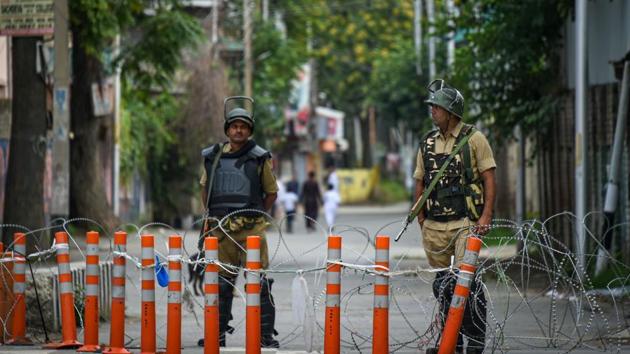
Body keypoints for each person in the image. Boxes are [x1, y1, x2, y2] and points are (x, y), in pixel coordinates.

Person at [414, 80, 496, 354]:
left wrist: (485, 216)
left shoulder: (474, 139)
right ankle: (451, 343)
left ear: (451, 112)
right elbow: (420, 180)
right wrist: (421, 218)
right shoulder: (426, 142)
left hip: (465, 223)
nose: (433, 111)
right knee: (443, 285)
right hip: (435, 226)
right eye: (432, 107)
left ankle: (474, 341)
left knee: (465, 283)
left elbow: (489, 178)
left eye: (437, 107)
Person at [198, 98, 279, 348]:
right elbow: (205, 188)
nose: (239, 130)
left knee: (259, 283)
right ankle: (217, 334)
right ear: (227, 129)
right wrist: (211, 217)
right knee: (221, 283)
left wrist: (255, 215)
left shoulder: (259, 158)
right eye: (234, 126)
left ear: (250, 130)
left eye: (243, 126)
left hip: (251, 231)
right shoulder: (213, 156)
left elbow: (271, 192)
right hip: (221, 229)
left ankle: (264, 336)